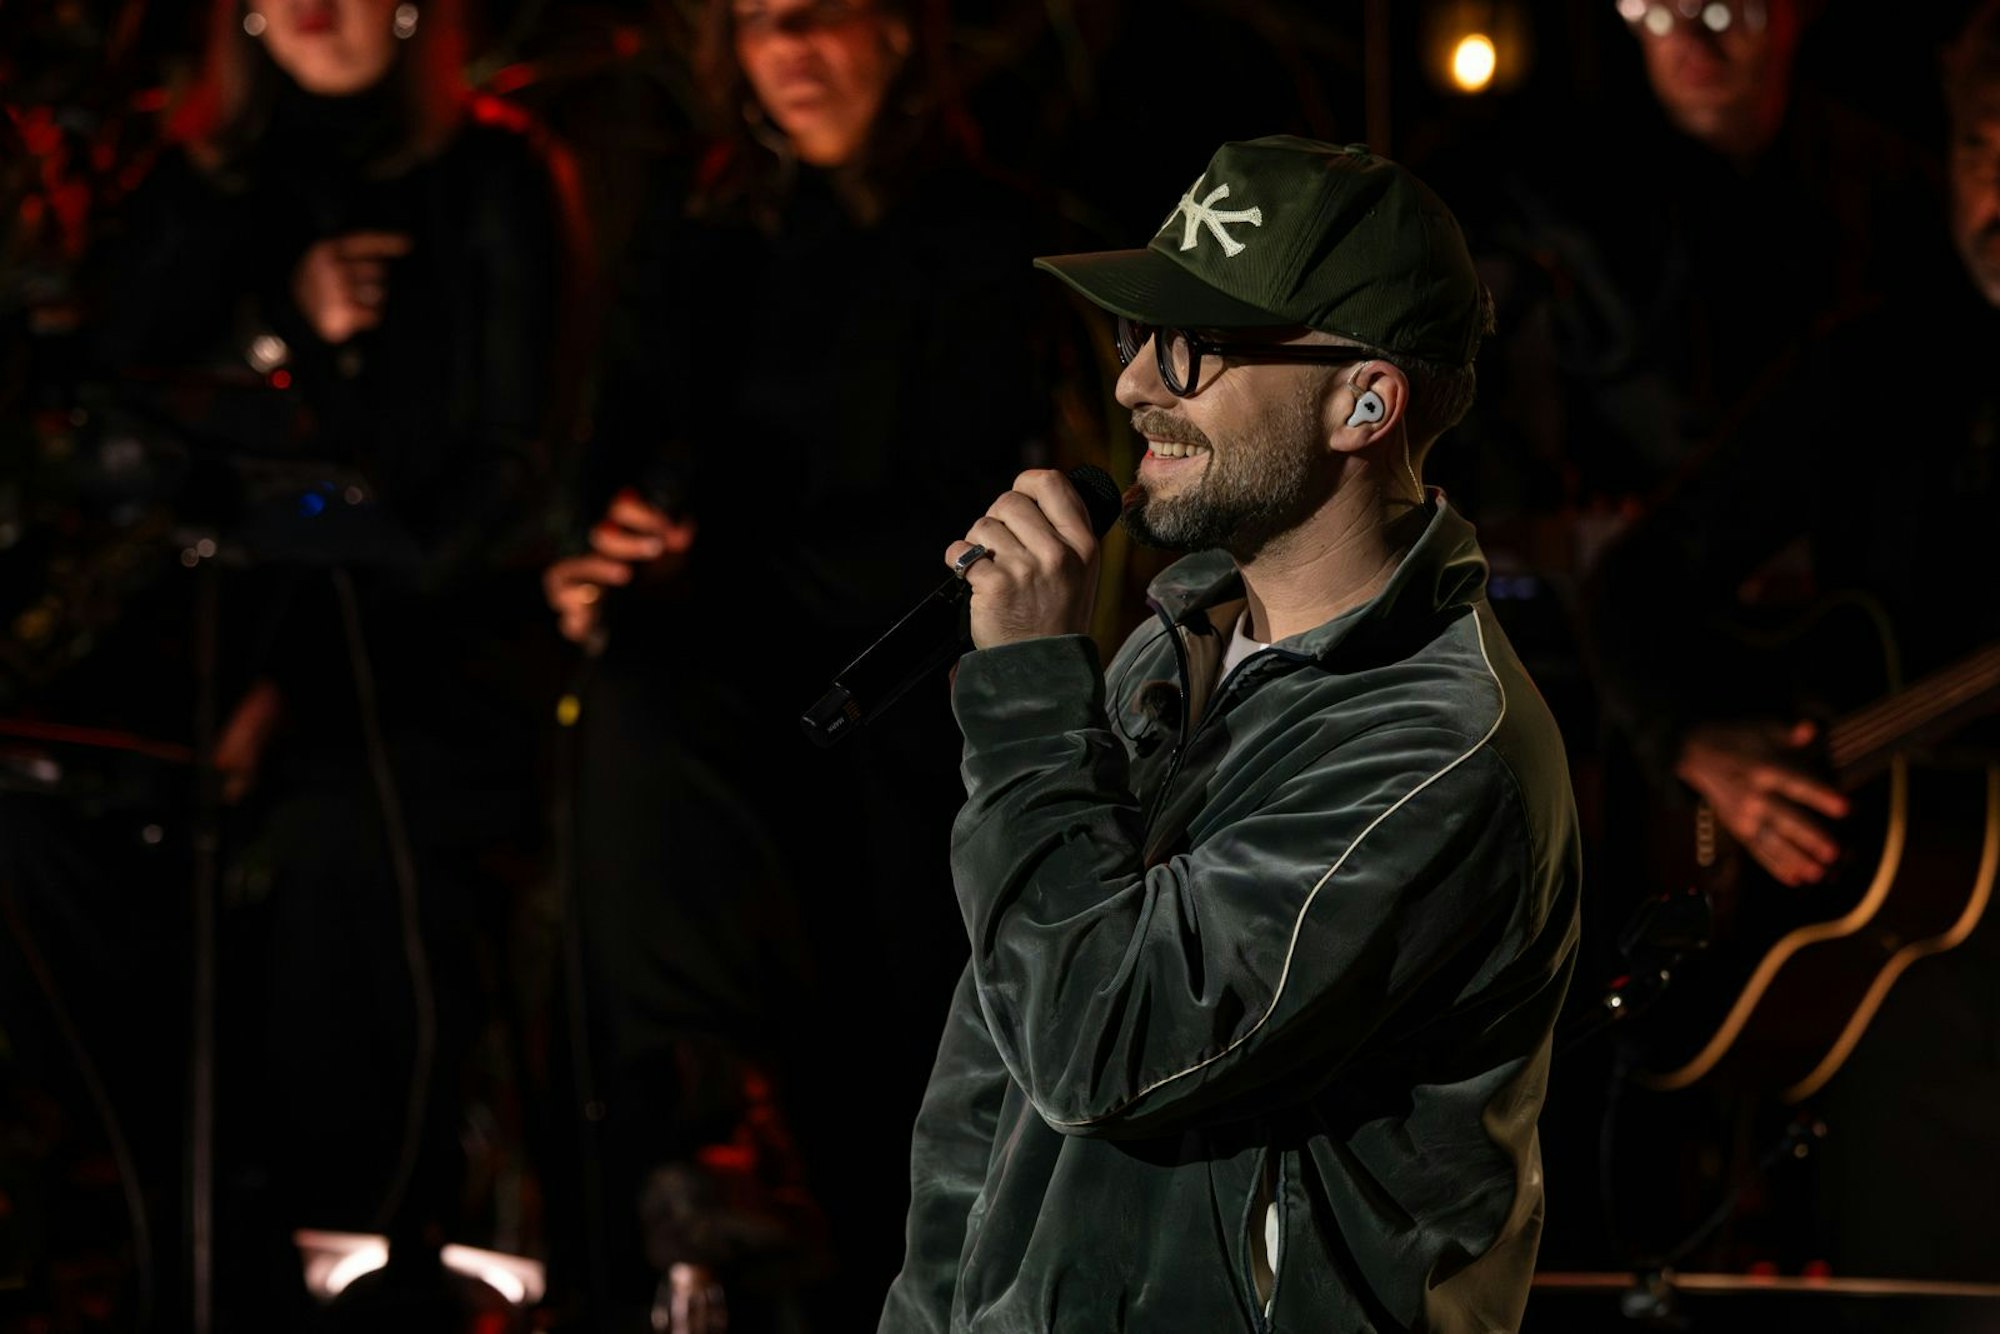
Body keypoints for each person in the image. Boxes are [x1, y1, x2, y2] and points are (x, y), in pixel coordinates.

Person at [877, 136, 1582, 1333]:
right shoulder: (1178, 637)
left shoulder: (1435, 751)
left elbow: (1099, 1041)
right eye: (1133, 338)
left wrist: (1031, 692)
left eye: (1191, 347)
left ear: (1363, 401)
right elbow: (989, 1080)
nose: (1133, 385)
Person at [540, 0, 1048, 1327]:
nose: (797, 47)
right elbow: (617, 448)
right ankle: (695, 1140)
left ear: (901, 34)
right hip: (716, 679)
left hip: (894, 682)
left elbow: (962, 512)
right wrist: (608, 545)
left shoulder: (983, 229)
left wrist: (704, 561)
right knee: (638, 712)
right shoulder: (700, 232)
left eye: (825, 13)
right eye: (765, 22)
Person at [90, 0, 578, 1317]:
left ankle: (375, 1243)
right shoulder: (194, 187)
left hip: (414, 657)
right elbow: (117, 427)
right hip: (186, 654)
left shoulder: (490, 175)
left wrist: (300, 668)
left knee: (353, 865)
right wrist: (277, 329)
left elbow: (510, 458)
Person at [1581, 0, 2000, 1279]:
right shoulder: (1879, 365)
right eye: (1986, 145)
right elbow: (1633, 581)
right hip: (1906, 1028)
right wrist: (1690, 741)